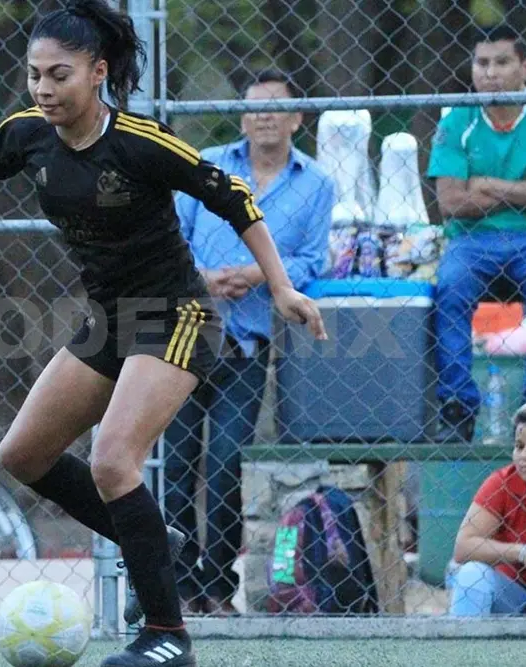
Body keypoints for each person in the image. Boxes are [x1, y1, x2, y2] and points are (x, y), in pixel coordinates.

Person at [0, 2, 325, 664]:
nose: (43, 89)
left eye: (59, 75)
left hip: (176, 315)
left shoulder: (140, 141)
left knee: (111, 459)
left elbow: (235, 199)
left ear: (97, 73)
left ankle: (166, 633)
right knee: (22, 453)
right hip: (107, 317)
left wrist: (280, 286)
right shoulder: (27, 134)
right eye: (33, 75)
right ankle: (157, 540)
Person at [161, 69, 335, 616]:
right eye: (253, 106)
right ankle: (179, 586)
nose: (263, 115)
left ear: (297, 118)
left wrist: (260, 275)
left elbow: (311, 258)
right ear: (241, 116)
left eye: (275, 107)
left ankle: (217, 586)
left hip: (248, 342)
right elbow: (172, 238)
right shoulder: (207, 163)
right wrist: (207, 277)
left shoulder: (316, 184)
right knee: (176, 462)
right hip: (189, 332)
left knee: (226, 462)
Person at [427, 25, 526, 443]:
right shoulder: (458, 121)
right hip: (472, 240)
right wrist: (521, 191)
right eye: (482, 63)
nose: (489, 72)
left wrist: (486, 185)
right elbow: (451, 203)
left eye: (501, 62)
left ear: (525, 66)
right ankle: (457, 406)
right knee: (450, 288)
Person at [449, 402, 526, 616]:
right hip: (518, 594)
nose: (525, 455)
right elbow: (463, 547)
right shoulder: (503, 482)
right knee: (471, 575)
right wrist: (522, 552)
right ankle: (462, 649)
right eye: (519, 446)